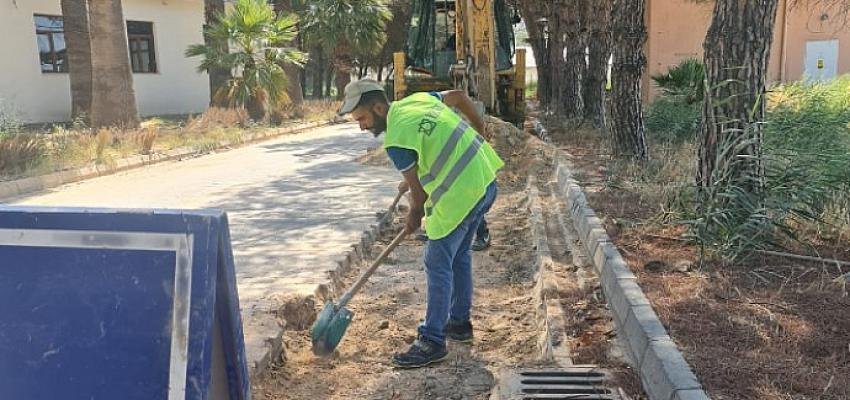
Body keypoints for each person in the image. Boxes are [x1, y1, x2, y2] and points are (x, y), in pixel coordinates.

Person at [338, 79, 503, 368]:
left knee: (437, 260)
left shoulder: (396, 141)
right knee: (459, 255)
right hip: (486, 180)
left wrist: (414, 215)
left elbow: (420, 195)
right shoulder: (417, 101)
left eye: (362, 118)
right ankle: (459, 324)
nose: (361, 126)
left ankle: (432, 340)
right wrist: (481, 130)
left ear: (378, 107)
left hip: (462, 195)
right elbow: (459, 97)